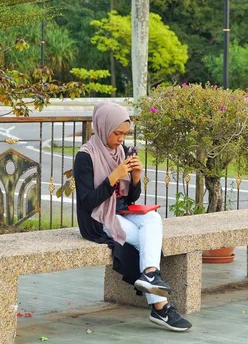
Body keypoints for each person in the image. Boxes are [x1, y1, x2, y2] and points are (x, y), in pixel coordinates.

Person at [73, 101, 193, 331]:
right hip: (98, 219)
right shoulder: (85, 157)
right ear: (102, 126)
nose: (120, 138)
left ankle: (150, 275)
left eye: (124, 133)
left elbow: (129, 199)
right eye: (116, 133)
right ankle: (161, 308)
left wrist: (136, 177)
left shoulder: (121, 152)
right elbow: (87, 202)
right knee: (145, 242)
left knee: (153, 219)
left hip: (120, 211)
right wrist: (112, 177)